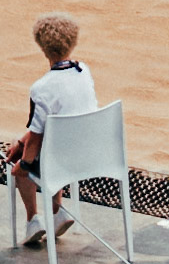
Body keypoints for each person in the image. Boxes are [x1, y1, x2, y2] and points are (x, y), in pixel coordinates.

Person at [6, 12, 99, 245]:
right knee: (46, 147)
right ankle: (58, 213)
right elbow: (48, 126)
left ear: (42, 47)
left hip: (59, 160)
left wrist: (23, 165)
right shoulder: (83, 71)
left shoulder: (41, 88)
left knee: (24, 166)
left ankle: (32, 220)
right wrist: (21, 142)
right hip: (90, 152)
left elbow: (36, 137)